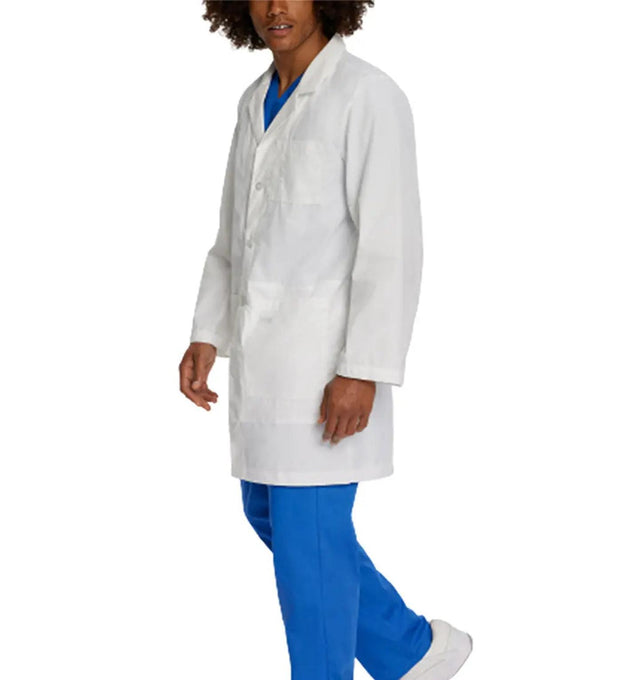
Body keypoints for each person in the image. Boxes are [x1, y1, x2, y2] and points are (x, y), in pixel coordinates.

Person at [179, 2, 473, 678]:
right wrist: (206, 332)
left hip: (323, 370)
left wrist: (363, 368)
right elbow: (233, 236)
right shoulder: (254, 102)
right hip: (264, 367)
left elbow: (392, 247)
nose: (276, 8)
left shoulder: (367, 96)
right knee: (270, 514)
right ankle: (411, 651)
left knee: (308, 551)